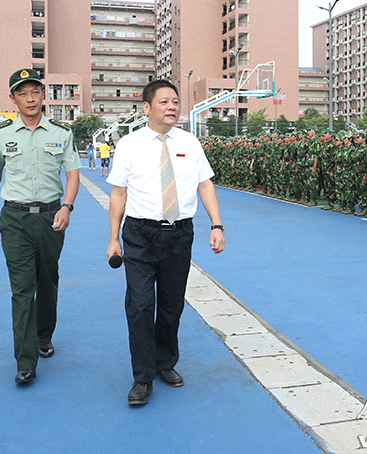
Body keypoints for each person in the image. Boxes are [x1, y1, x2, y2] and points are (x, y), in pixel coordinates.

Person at [106, 79, 225, 406]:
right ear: (147, 107)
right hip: (139, 235)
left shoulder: (190, 142)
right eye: (164, 102)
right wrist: (113, 238)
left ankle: (164, 362)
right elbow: (118, 193)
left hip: (179, 234)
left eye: (175, 101)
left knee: (172, 305)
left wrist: (217, 225)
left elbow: (205, 184)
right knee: (140, 305)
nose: (172, 107)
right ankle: (142, 377)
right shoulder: (129, 144)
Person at [0, 68, 80, 385]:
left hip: (50, 218)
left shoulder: (61, 133)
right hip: (15, 220)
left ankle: (44, 336)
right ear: (13, 98)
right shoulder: (2, 135)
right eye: (22, 93)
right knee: (22, 289)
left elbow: (73, 172)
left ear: (43, 95)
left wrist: (67, 206)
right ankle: (25, 360)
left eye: (35, 92)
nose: (30, 98)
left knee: (47, 281)